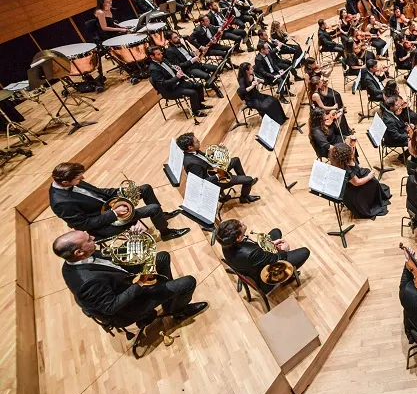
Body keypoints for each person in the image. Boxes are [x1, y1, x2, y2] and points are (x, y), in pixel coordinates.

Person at [55, 230, 206, 329]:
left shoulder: (77, 259)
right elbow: (111, 307)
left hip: (124, 281)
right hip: (129, 307)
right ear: (79, 251)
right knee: (188, 282)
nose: (93, 238)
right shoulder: (87, 283)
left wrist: (134, 240)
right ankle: (178, 312)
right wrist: (140, 283)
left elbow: (113, 258)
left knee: (162, 257)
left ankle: (168, 297)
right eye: (89, 239)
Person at [49, 162, 189, 240]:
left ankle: (161, 218)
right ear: (65, 182)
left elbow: (99, 192)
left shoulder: (72, 182)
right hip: (105, 223)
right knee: (153, 208)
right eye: (79, 178)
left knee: (145, 188)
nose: (83, 179)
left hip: (110, 206)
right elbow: (84, 224)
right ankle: (166, 233)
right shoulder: (61, 203)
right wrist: (114, 213)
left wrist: (122, 192)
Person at [217, 219, 310, 293]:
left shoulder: (226, 243)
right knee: (305, 252)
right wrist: (283, 250)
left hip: (252, 264)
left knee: (276, 232)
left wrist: (270, 244)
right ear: (238, 238)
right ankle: (288, 277)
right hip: (263, 278)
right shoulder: (252, 253)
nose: (242, 222)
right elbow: (277, 259)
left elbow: (255, 251)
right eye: (240, 225)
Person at [176, 132, 260, 204]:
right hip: (216, 181)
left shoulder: (194, 151)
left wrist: (217, 150)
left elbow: (205, 159)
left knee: (235, 160)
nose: (199, 141)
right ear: (190, 147)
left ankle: (244, 182)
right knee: (249, 179)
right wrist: (217, 175)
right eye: (197, 141)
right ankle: (244, 198)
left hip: (215, 170)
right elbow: (201, 183)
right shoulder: (192, 164)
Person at [329, 142, 391, 218]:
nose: (352, 155)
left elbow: (352, 156)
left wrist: (352, 146)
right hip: (353, 192)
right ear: (346, 157)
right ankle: (370, 200)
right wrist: (369, 176)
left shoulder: (340, 162)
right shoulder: (346, 170)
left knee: (371, 178)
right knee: (373, 182)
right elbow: (357, 183)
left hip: (351, 184)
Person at [147, 46, 211, 117]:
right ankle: (195, 111)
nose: (161, 55)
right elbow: (163, 83)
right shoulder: (153, 69)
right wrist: (177, 77)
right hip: (170, 90)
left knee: (198, 85)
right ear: (152, 56)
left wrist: (175, 67)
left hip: (178, 83)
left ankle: (199, 104)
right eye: (158, 54)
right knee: (192, 92)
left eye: (161, 53)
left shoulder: (163, 59)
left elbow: (169, 69)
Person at [163, 31, 222, 97]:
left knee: (218, 68)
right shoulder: (169, 51)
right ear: (170, 40)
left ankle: (208, 84)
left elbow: (187, 55)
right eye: (175, 38)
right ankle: (216, 90)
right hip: (188, 69)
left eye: (178, 36)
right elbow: (179, 65)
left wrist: (193, 56)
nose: (178, 38)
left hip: (196, 64)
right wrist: (191, 61)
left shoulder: (181, 44)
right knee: (206, 76)